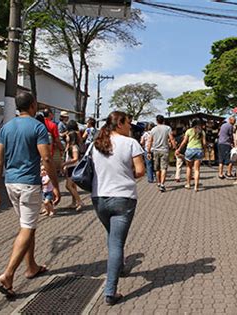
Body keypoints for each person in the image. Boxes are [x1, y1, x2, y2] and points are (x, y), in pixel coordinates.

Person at [0, 92, 60, 298]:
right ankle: (8, 274)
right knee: (27, 228)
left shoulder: (6, 128)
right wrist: (55, 185)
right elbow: (46, 158)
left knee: (27, 226)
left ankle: (32, 267)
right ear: (33, 105)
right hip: (29, 184)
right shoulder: (38, 127)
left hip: (10, 183)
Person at [91, 111, 145, 305]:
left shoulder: (95, 144)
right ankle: (110, 292)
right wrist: (125, 172)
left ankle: (120, 267)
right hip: (123, 198)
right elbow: (140, 171)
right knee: (116, 243)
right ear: (120, 123)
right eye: (128, 123)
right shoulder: (131, 143)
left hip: (99, 198)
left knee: (112, 237)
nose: (130, 126)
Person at [176, 119, 206, 192]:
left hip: (190, 150)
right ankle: (196, 187)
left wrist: (179, 149)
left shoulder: (189, 131)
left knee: (189, 168)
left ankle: (188, 184)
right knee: (197, 170)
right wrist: (204, 151)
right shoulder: (202, 132)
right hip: (199, 150)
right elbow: (204, 143)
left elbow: (184, 141)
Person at [147, 115, 176, 192]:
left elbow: (150, 141)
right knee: (164, 168)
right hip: (165, 150)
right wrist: (174, 147)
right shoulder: (167, 128)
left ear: (156, 121)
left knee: (157, 168)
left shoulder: (153, 129)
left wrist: (148, 151)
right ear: (163, 121)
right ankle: (162, 184)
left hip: (155, 150)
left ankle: (159, 182)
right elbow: (171, 138)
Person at [61, 129, 83, 211]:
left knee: (68, 186)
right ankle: (74, 202)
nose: (66, 137)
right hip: (70, 168)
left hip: (74, 168)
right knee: (73, 186)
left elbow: (75, 158)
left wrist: (65, 164)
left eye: (67, 136)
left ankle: (80, 201)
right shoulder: (69, 145)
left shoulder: (74, 147)